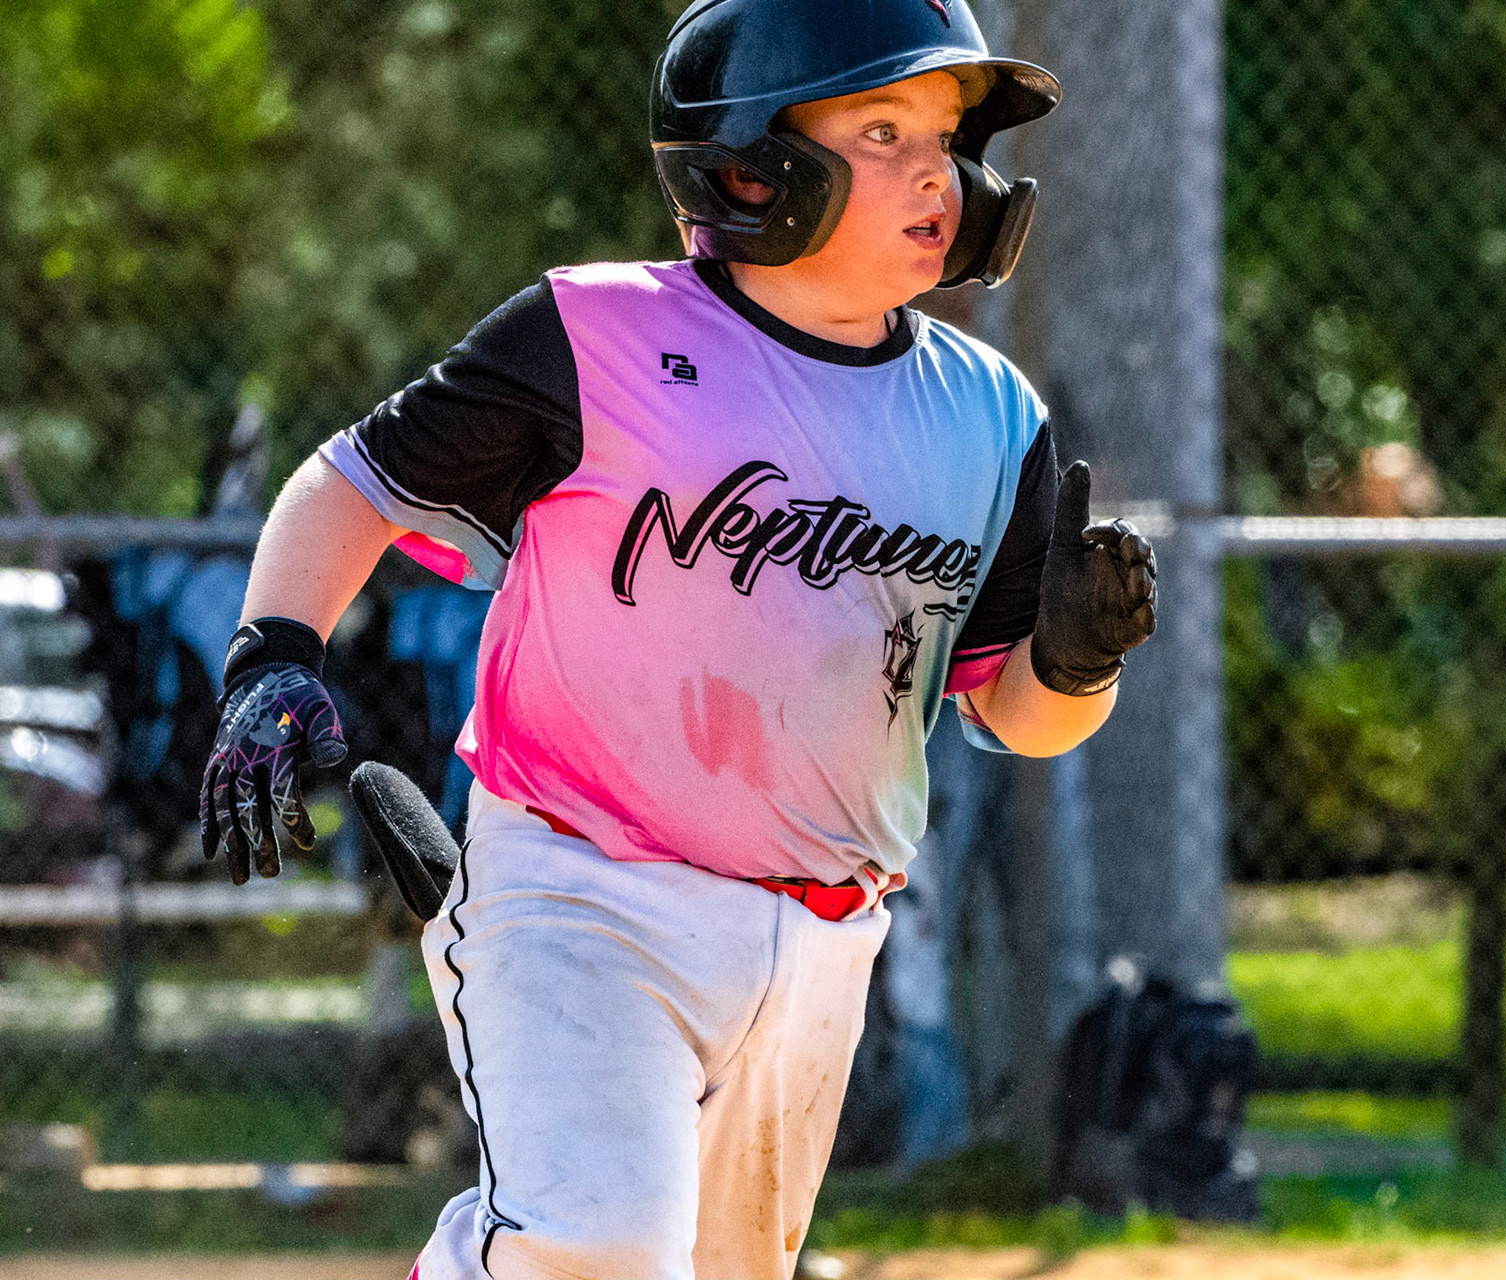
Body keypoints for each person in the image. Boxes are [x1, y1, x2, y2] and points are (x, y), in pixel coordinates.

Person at [198, 1, 1157, 1275]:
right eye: (883, 129)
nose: (939, 171)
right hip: (582, 882)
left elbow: (1016, 714)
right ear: (753, 163)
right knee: (600, 1242)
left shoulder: (990, 416)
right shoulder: (598, 338)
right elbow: (353, 482)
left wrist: (1079, 660)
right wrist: (274, 654)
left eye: (945, 136)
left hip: (823, 934)